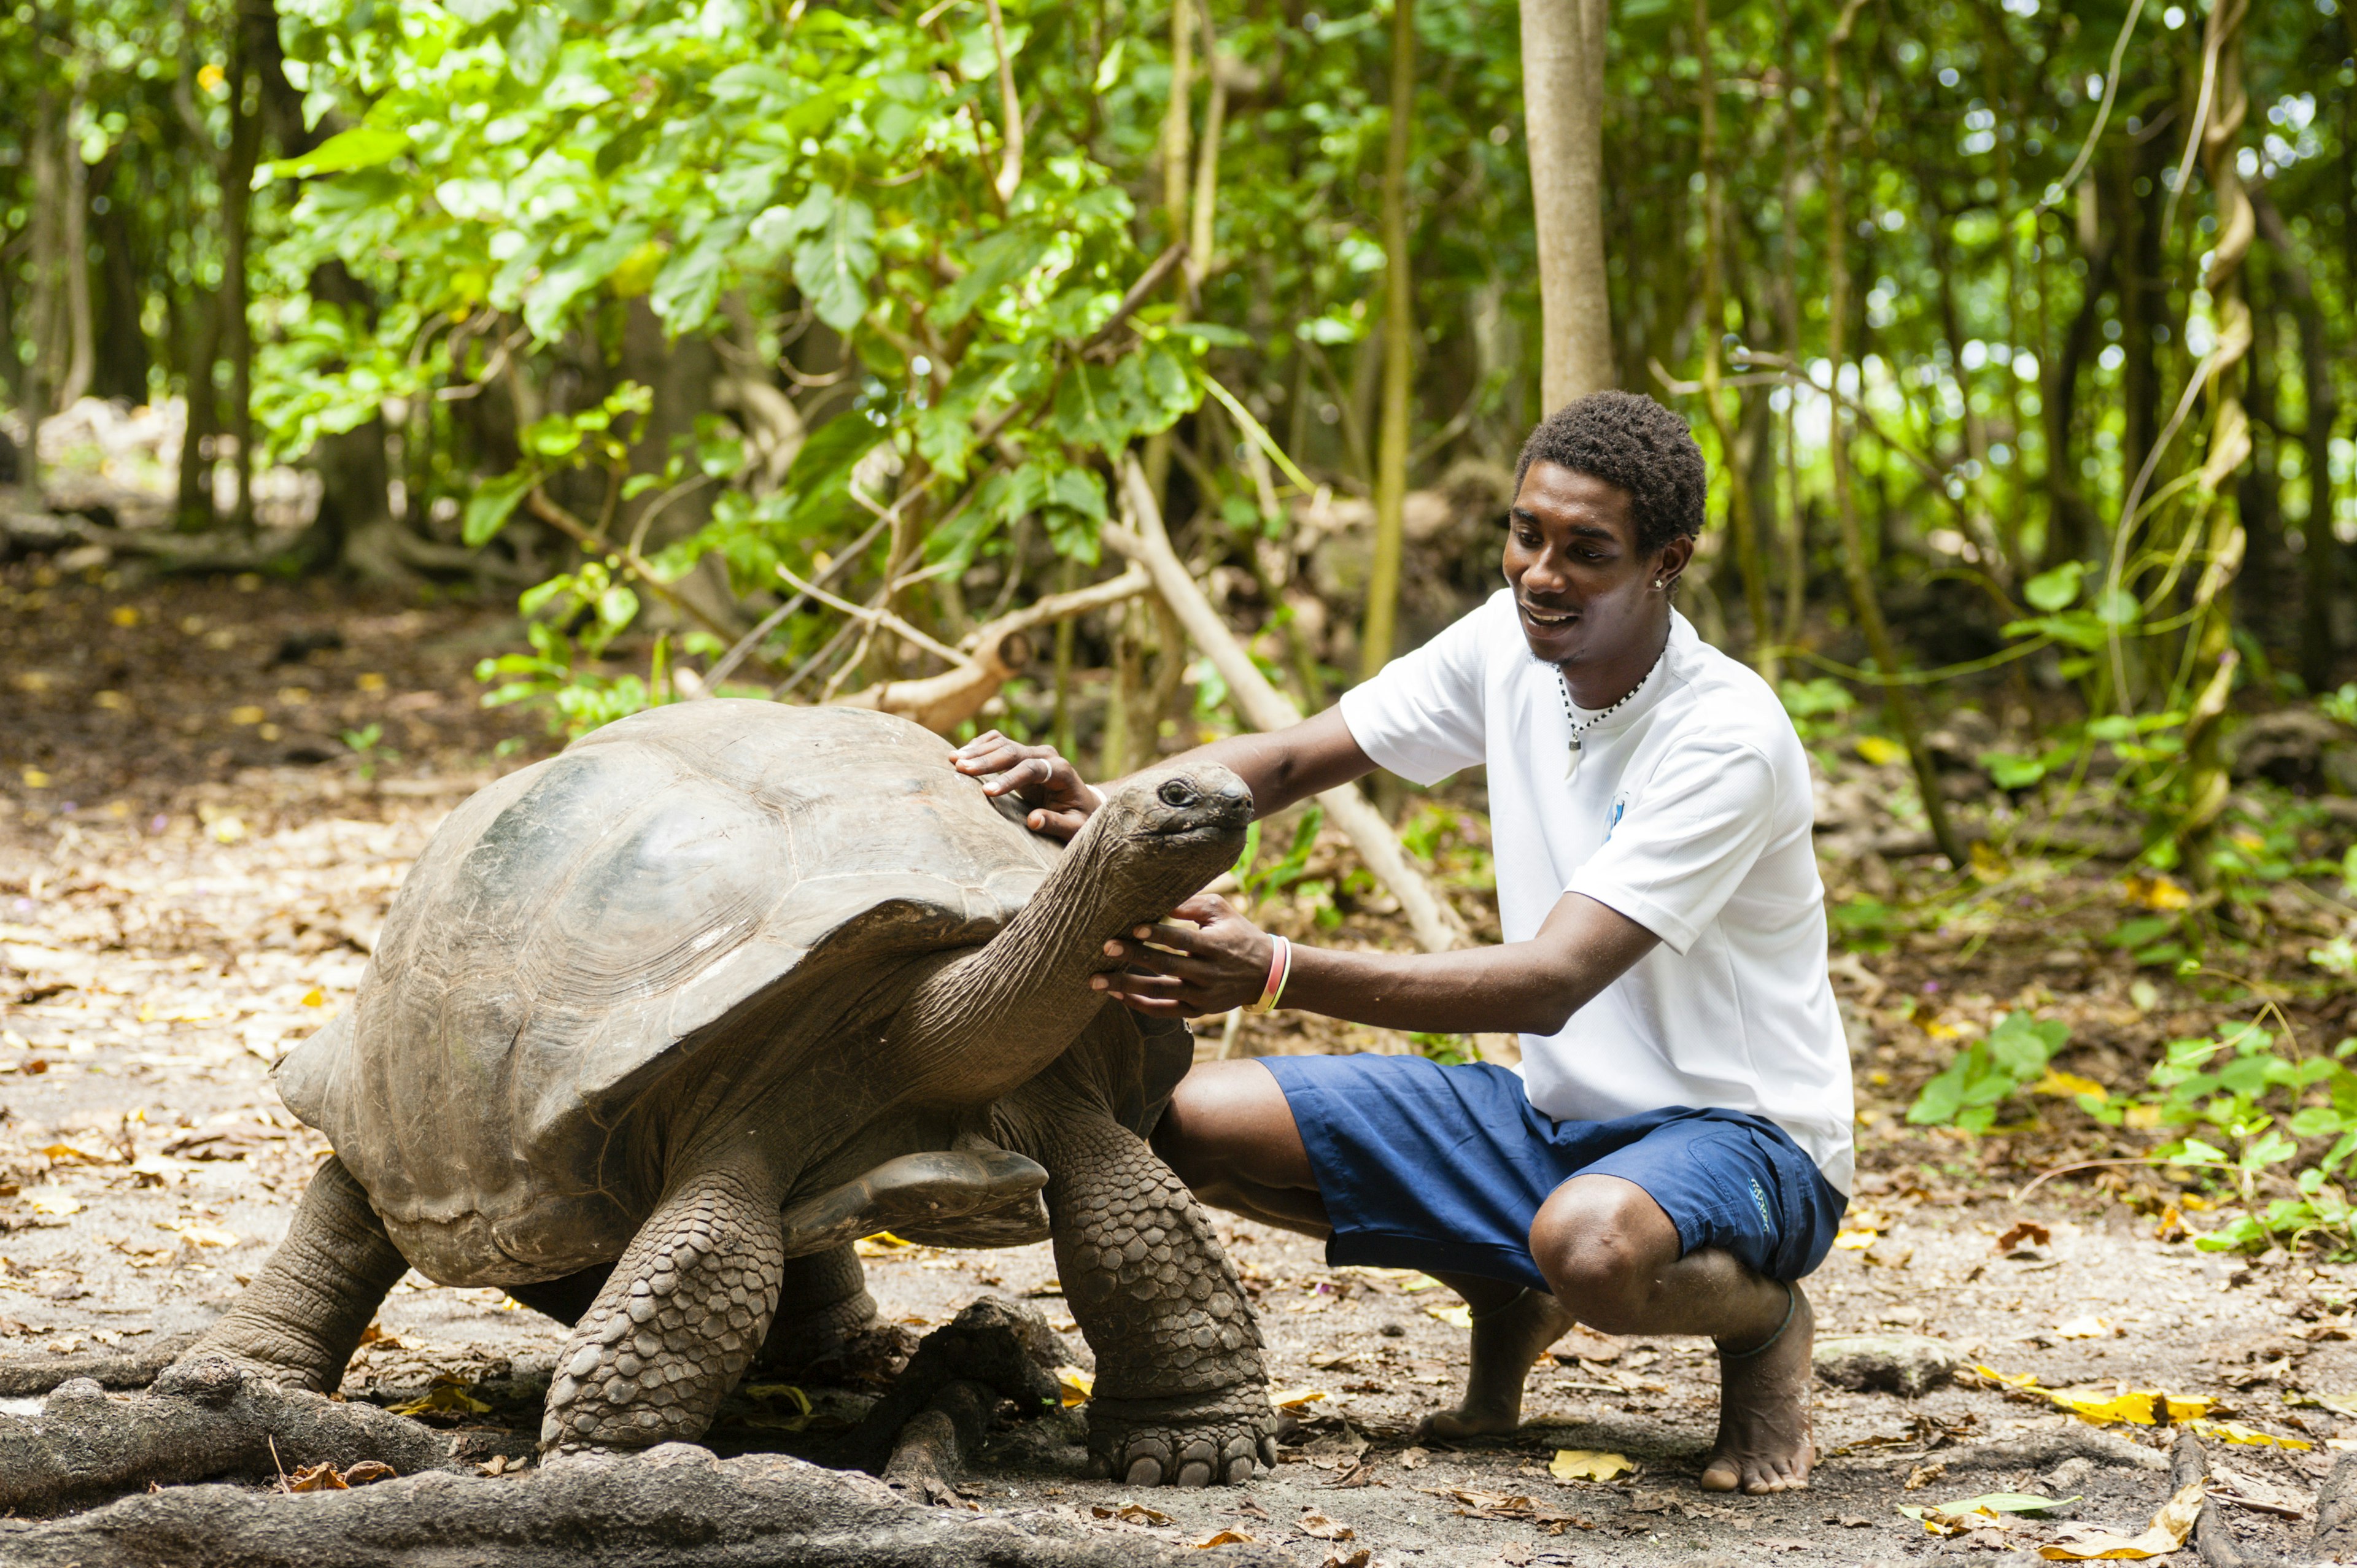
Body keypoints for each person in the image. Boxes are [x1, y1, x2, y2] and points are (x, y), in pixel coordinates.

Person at [951, 390, 1851, 1495]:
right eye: (1527, 533)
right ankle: (1510, 1290)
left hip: (1747, 1141)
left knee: (1598, 1249)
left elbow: (1553, 981)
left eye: (1588, 551)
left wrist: (1275, 967)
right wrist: (1115, 813)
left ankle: (1765, 1327)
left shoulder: (1726, 736)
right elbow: (1285, 762)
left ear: (1668, 560)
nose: (1541, 573)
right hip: (1557, 1121)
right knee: (1173, 1125)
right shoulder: (1506, 643)